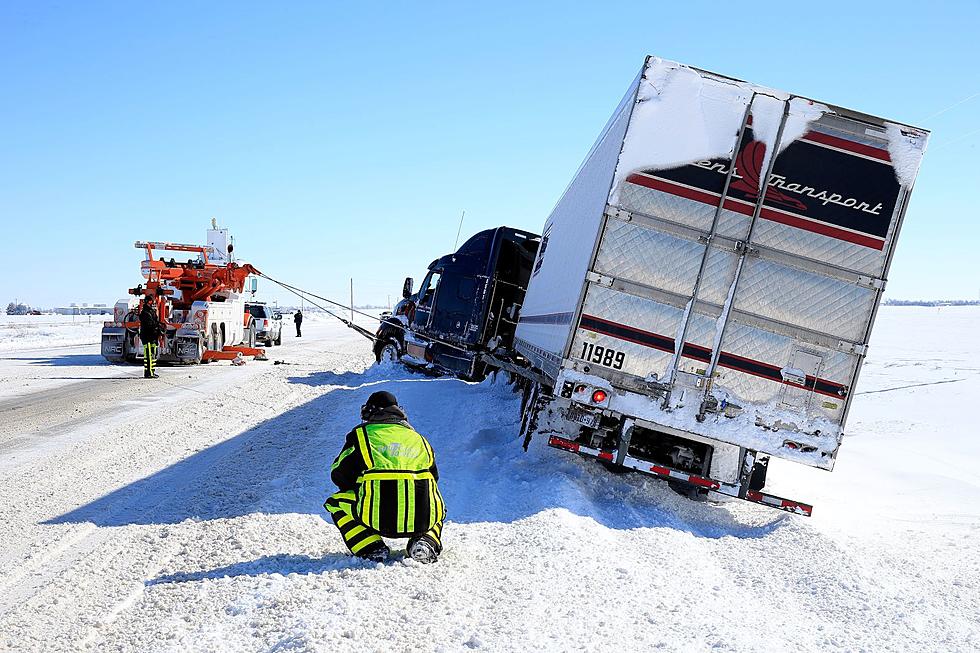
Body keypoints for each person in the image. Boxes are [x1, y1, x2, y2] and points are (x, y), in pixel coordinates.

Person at [324, 391, 445, 563]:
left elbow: (339, 475)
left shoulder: (362, 436)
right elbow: (434, 478)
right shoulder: (419, 439)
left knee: (336, 503)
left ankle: (370, 547)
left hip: (377, 516)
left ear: (369, 412)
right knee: (437, 506)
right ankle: (425, 542)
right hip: (421, 517)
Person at [138, 296, 162, 379]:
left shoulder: (151, 311)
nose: (153, 303)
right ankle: (148, 373)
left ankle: (152, 371)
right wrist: (157, 326)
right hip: (148, 336)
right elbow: (149, 324)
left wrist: (159, 328)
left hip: (152, 336)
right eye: (152, 301)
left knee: (153, 354)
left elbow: (155, 322)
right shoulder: (145, 312)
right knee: (149, 355)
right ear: (148, 302)